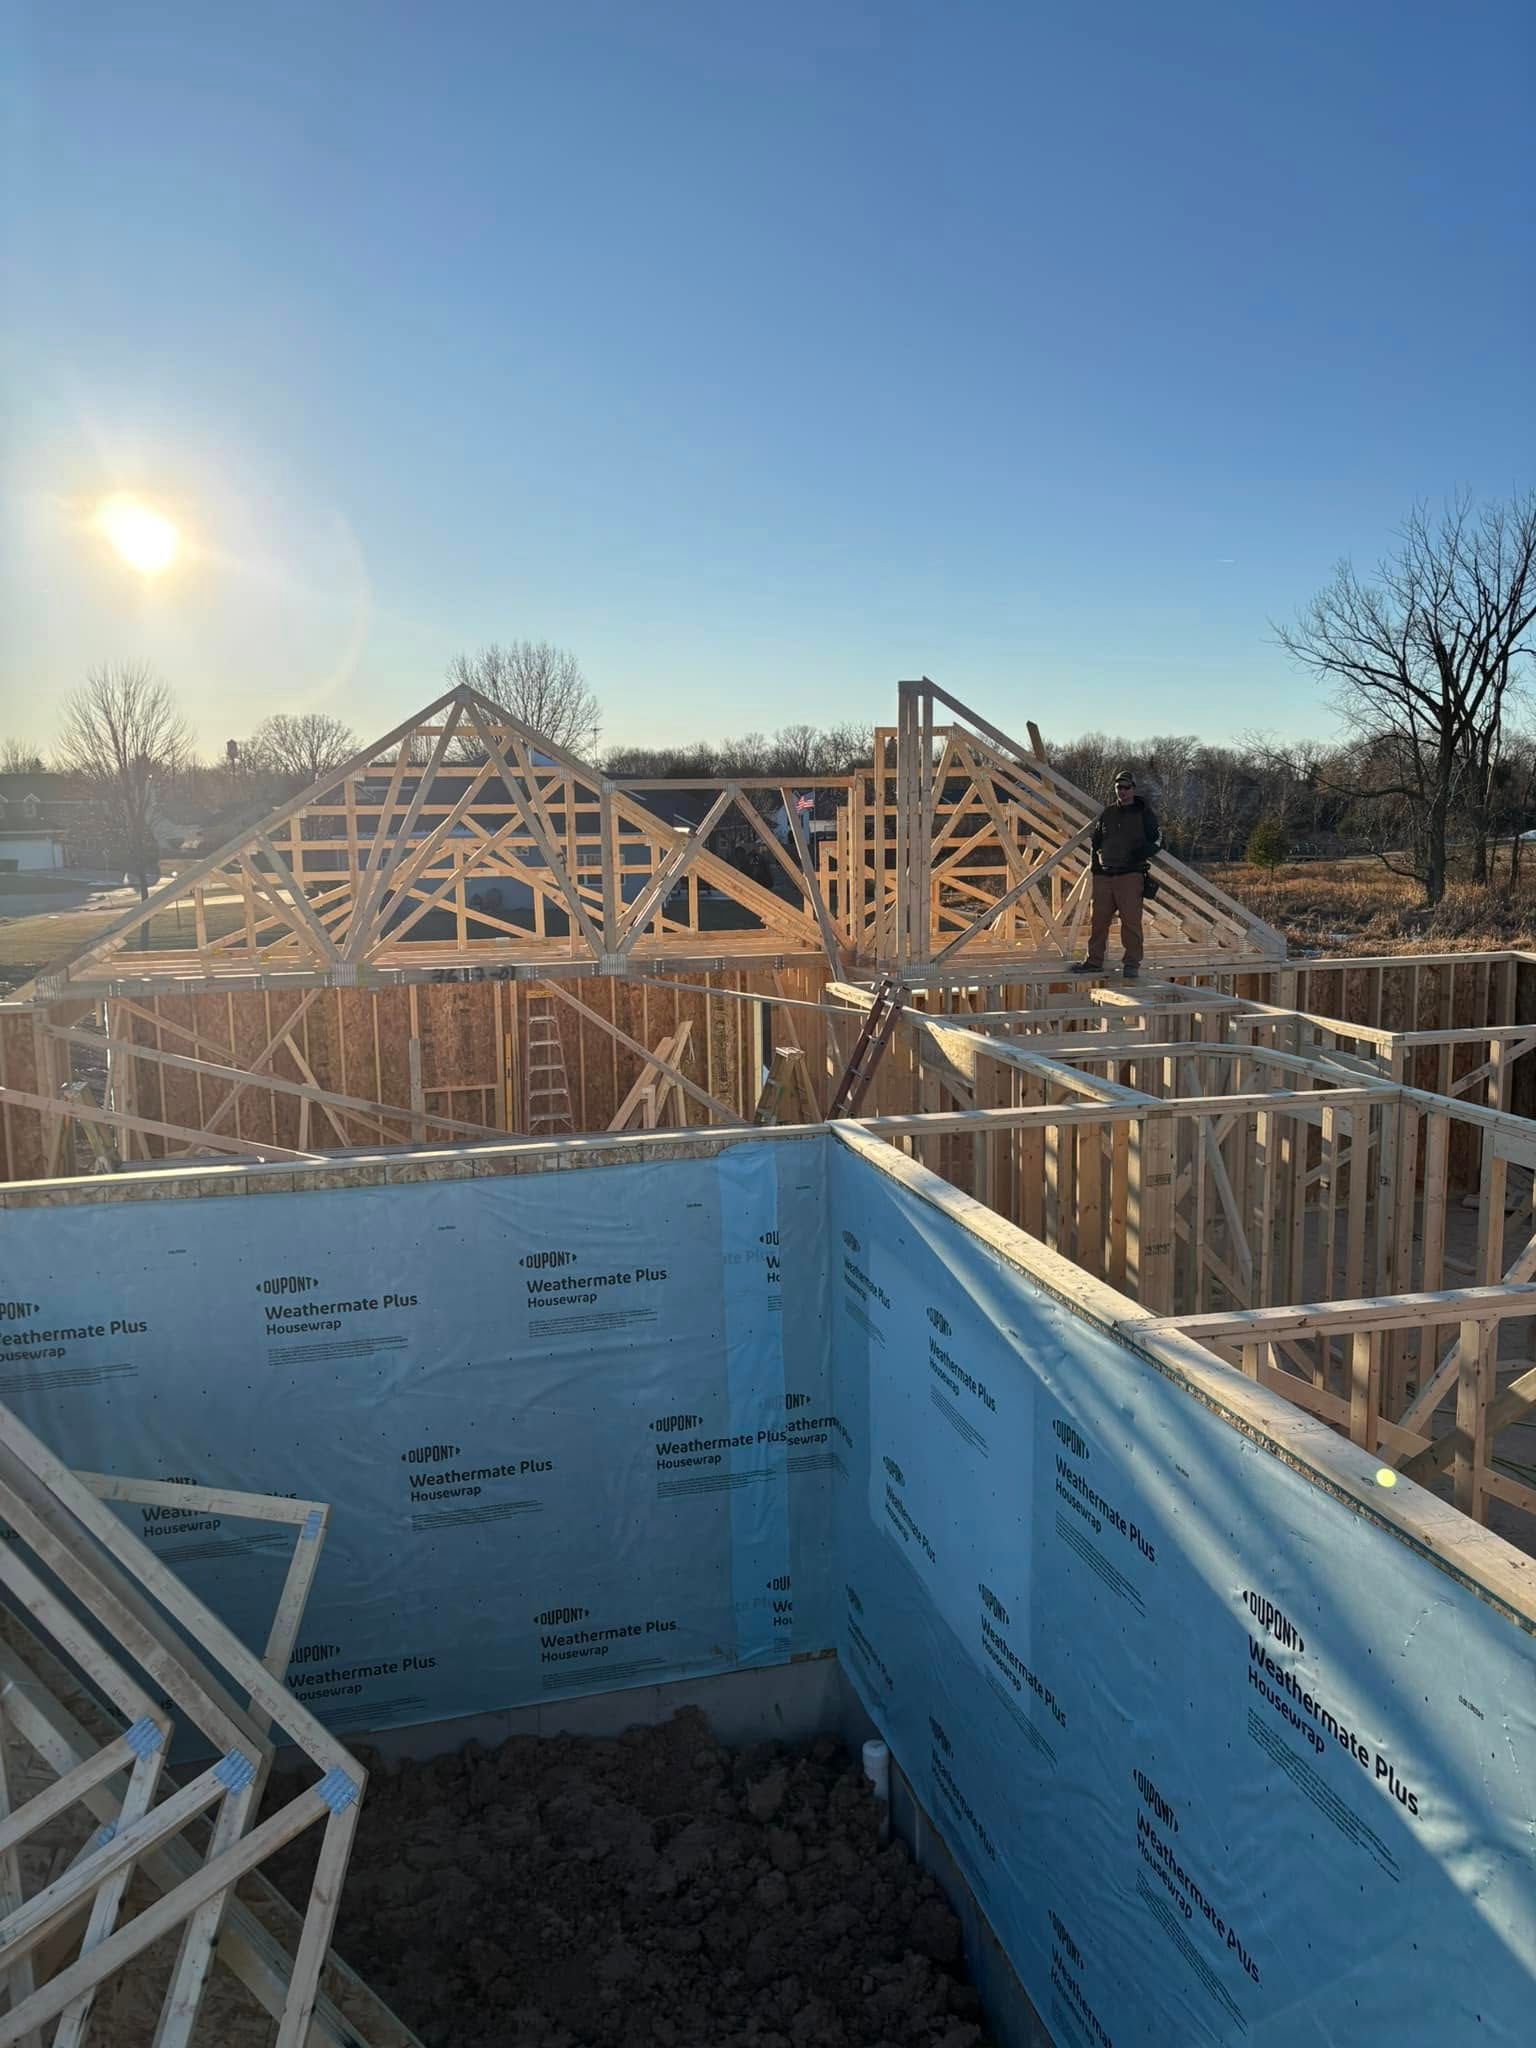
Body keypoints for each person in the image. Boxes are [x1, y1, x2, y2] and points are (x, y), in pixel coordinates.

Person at [1071, 769, 1160, 981]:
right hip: (1106, 874)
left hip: (1130, 875)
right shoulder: (1108, 813)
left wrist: (1143, 852)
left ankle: (1131, 964)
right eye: (1119, 787)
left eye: (1126, 787)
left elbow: (1157, 840)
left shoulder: (1144, 813)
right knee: (1098, 921)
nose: (1122, 791)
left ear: (1133, 789)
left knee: (1130, 922)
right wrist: (1095, 869)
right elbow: (1096, 841)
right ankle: (1093, 961)